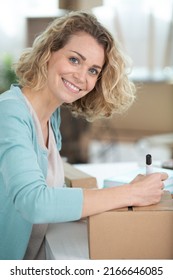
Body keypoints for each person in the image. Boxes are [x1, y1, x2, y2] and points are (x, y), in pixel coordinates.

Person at [0, 11, 167, 260]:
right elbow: (33, 202)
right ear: (48, 52)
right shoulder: (9, 112)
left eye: (93, 70)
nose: (81, 77)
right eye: (75, 60)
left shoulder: (50, 116)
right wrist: (132, 193)